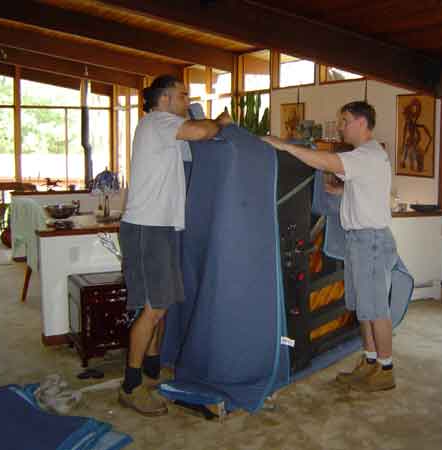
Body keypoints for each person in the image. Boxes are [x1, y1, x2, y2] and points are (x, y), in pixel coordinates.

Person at [263, 101, 397, 392]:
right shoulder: (366, 156)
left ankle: (386, 370)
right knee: (363, 307)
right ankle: (370, 361)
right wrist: (338, 190)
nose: (340, 126)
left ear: (362, 123)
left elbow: (324, 162)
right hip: (359, 241)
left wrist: (283, 146)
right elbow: (358, 186)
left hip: (371, 241)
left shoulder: (366, 155)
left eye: (345, 120)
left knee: (376, 309)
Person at [118, 74, 231, 416]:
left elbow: (197, 148)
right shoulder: (158, 122)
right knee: (153, 308)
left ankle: (151, 371)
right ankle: (131, 386)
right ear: (165, 99)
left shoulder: (168, 131)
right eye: (183, 96)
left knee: (162, 304)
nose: (186, 101)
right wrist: (219, 122)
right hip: (147, 228)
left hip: (163, 227)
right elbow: (202, 132)